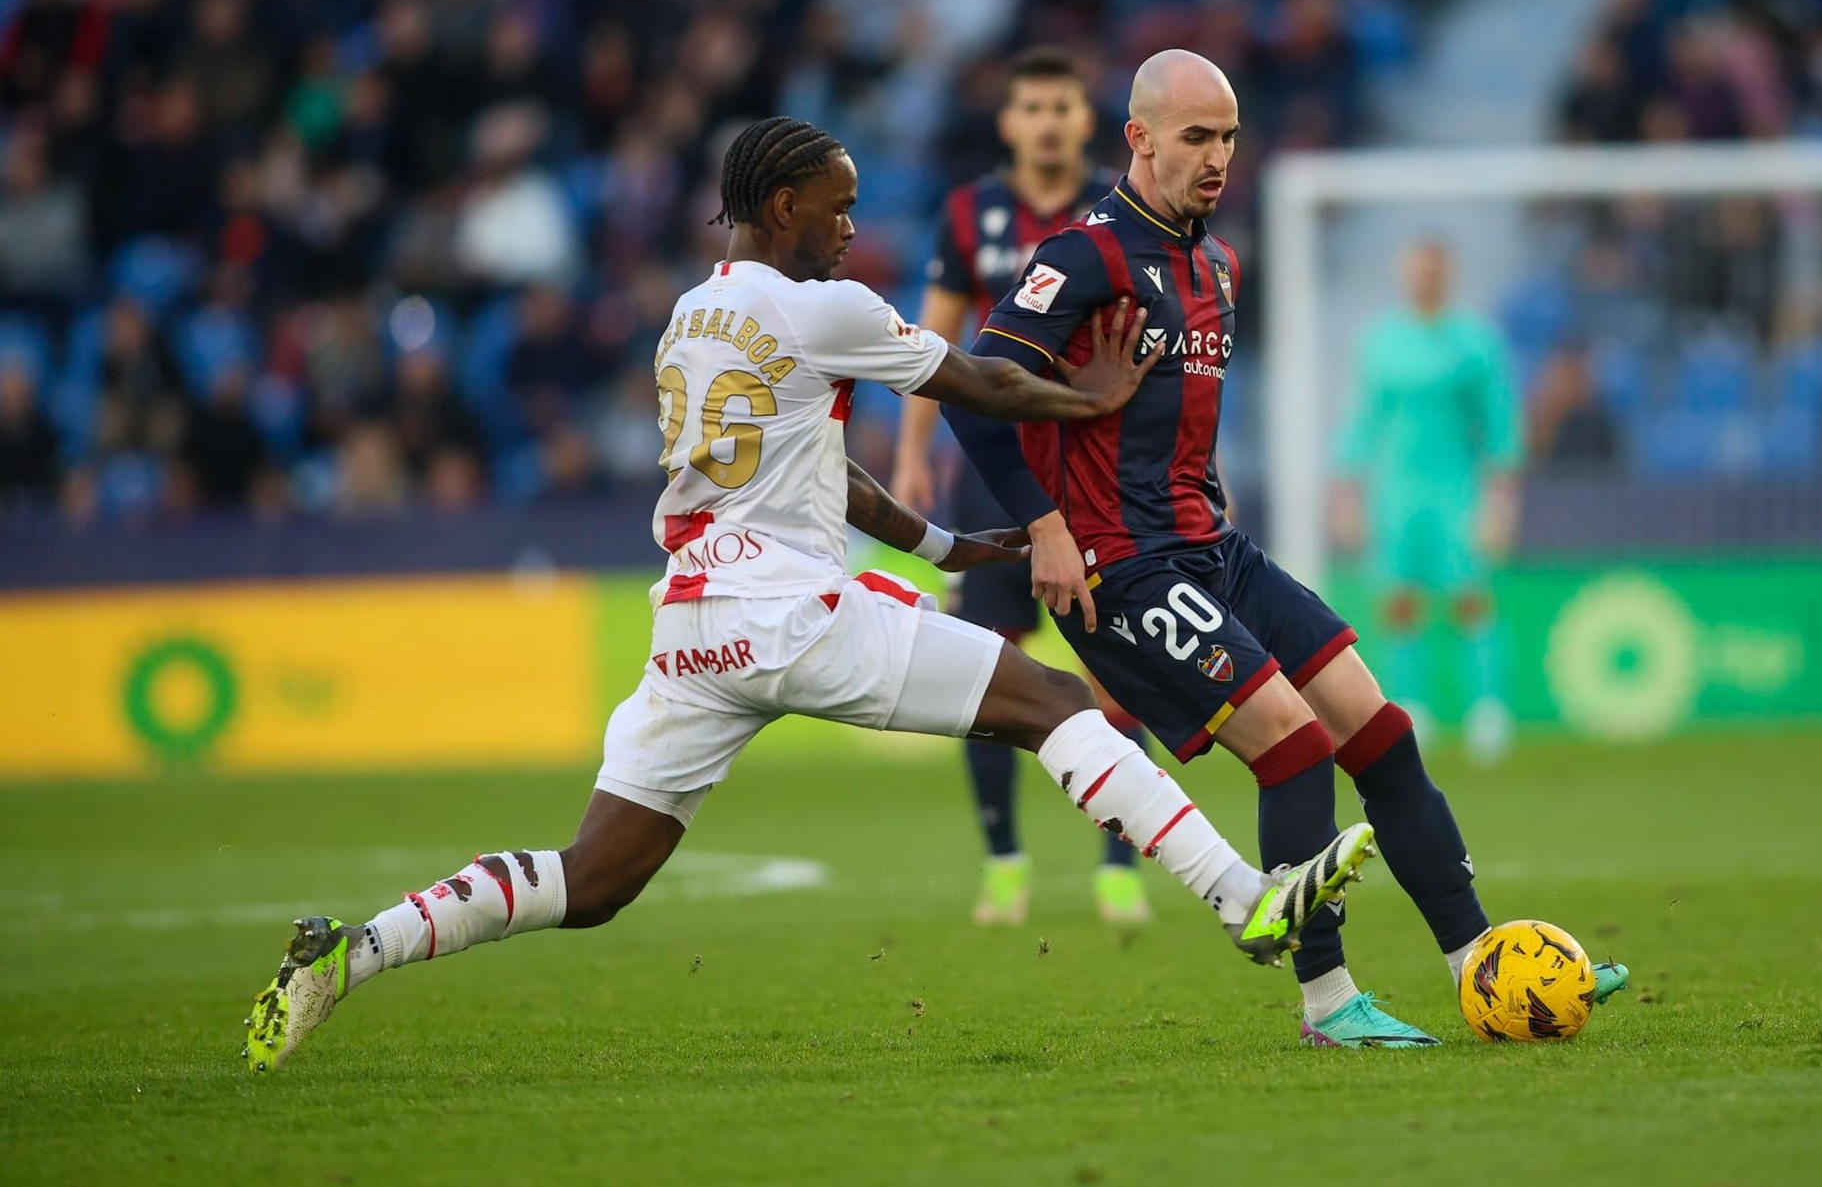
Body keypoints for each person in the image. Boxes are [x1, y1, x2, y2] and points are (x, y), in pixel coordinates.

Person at [243, 117, 1374, 1073]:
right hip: (787, 611)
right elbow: (978, 377)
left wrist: (939, 542)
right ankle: (1245, 900)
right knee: (1052, 706)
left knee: (591, 881)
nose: (847, 227)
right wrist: (1089, 397)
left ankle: (357, 946)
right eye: (833, 207)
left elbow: (822, 472)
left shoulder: (690, 317)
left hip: (690, 625)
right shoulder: (821, 305)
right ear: (779, 205)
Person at [943, 51, 1627, 1048]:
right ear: (1136, 138)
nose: (1217, 156)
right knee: (1294, 746)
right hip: (1116, 566)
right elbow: (972, 388)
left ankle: (1481, 962)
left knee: (1379, 733)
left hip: (1213, 549)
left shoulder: (1218, 261)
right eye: (1194, 137)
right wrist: (1043, 524)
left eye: (1226, 137)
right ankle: (1326, 1004)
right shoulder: (1083, 255)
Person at [891, 46, 1151, 926]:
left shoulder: (1119, 211)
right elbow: (938, 339)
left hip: (1094, 475)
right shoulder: (969, 212)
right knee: (985, 674)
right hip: (994, 478)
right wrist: (912, 454)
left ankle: (1120, 864)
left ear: (1087, 121)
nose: (1046, 121)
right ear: (1009, 123)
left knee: (1119, 673)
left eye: (1062, 107)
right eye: (1031, 107)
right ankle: (1005, 860)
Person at [1330, 237, 1524, 762]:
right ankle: (1412, 709)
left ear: (1448, 274)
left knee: (1471, 595)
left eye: (1433, 269)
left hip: (1457, 485)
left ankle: (1488, 710)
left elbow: (1499, 421)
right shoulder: (1382, 341)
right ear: (1403, 273)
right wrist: (1346, 492)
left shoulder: (1475, 341)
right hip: (1397, 488)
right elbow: (1362, 419)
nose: (1424, 277)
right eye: (1416, 268)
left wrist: (1501, 498)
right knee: (1399, 601)